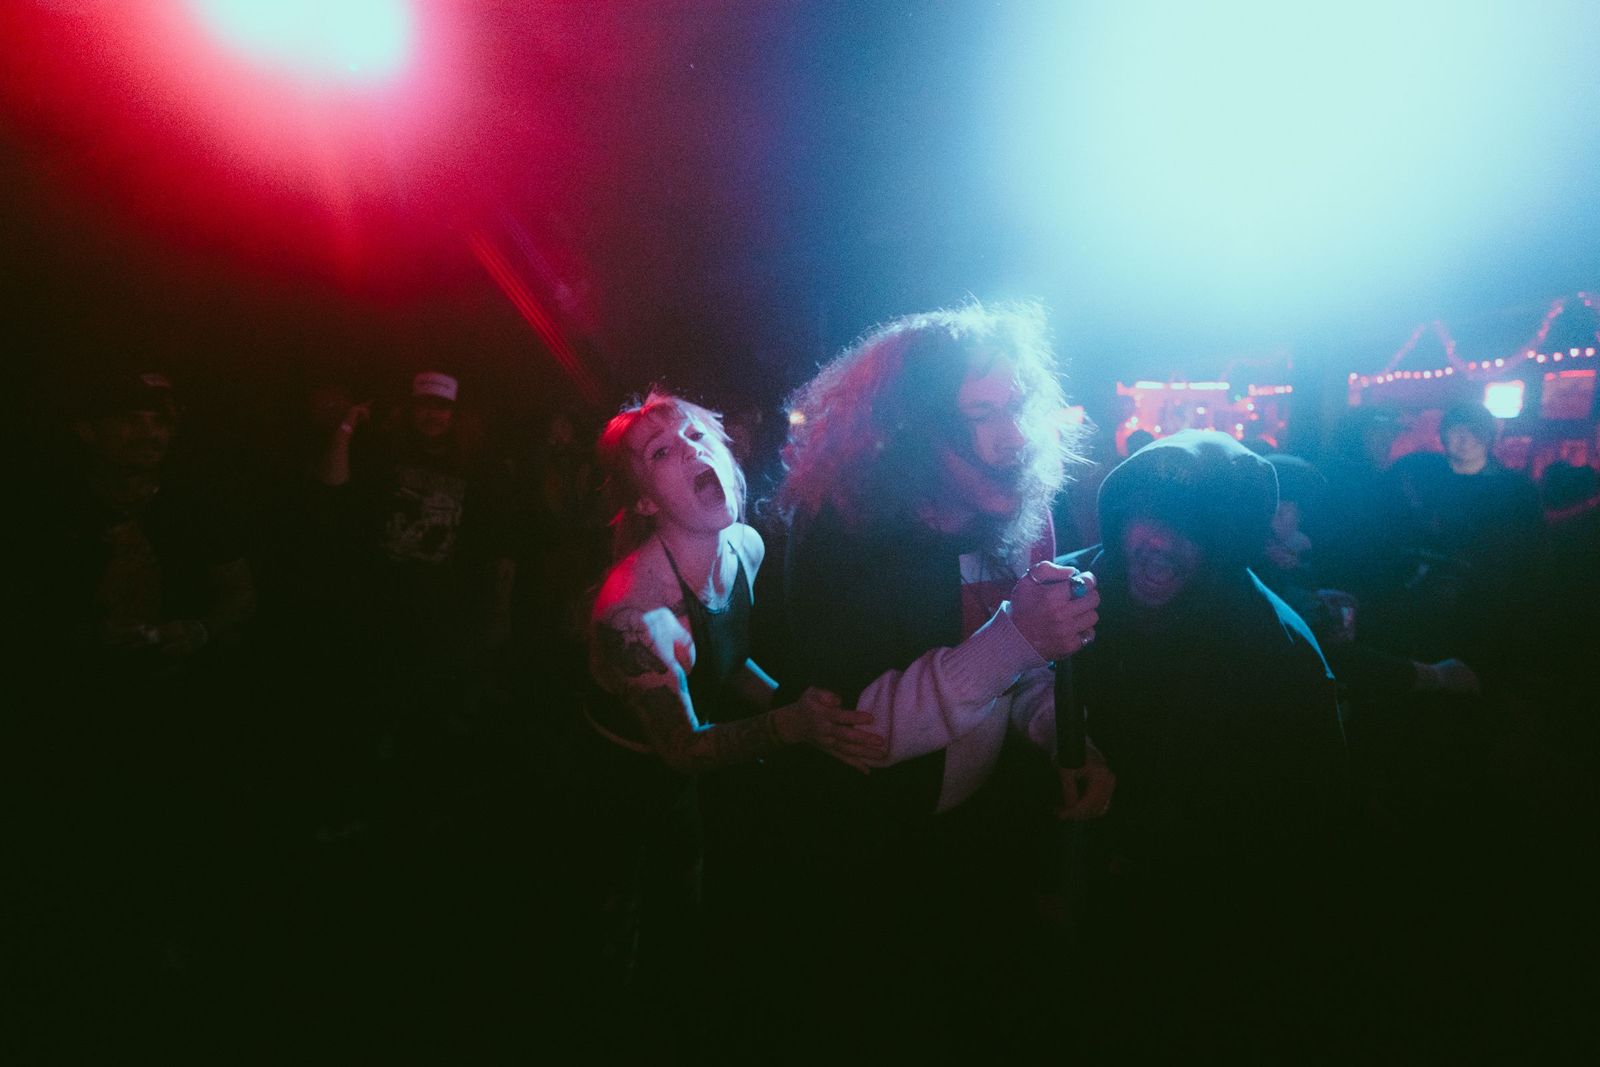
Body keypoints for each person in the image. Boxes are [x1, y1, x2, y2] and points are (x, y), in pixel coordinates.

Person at [769, 302, 1111, 1056]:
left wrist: (1064, 737)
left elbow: (1021, 673)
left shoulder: (1016, 511)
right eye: (981, 415)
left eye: (1017, 406)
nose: (1014, 437)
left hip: (972, 841)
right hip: (864, 859)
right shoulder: (843, 528)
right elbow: (865, 733)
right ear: (906, 432)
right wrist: (1017, 636)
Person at [577, 391, 881, 1054]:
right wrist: (792, 725)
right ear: (645, 502)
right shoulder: (635, 613)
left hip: (684, 779)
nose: (690, 448)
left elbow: (730, 660)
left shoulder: (744, 544)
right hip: (615, 781)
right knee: (613, 926)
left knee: (683, 901)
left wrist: (806, 711)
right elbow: (681, 748)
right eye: (662, 451)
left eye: (695, 434)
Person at [1058, 429, 1349, 1057]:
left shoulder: (1278, 651)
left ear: (1227, 542)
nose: (1158, 541)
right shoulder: (1067, 592)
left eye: (1188, 526)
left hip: (1203, 929)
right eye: (1145, 517)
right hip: (1068, 906)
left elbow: (1301, 830)